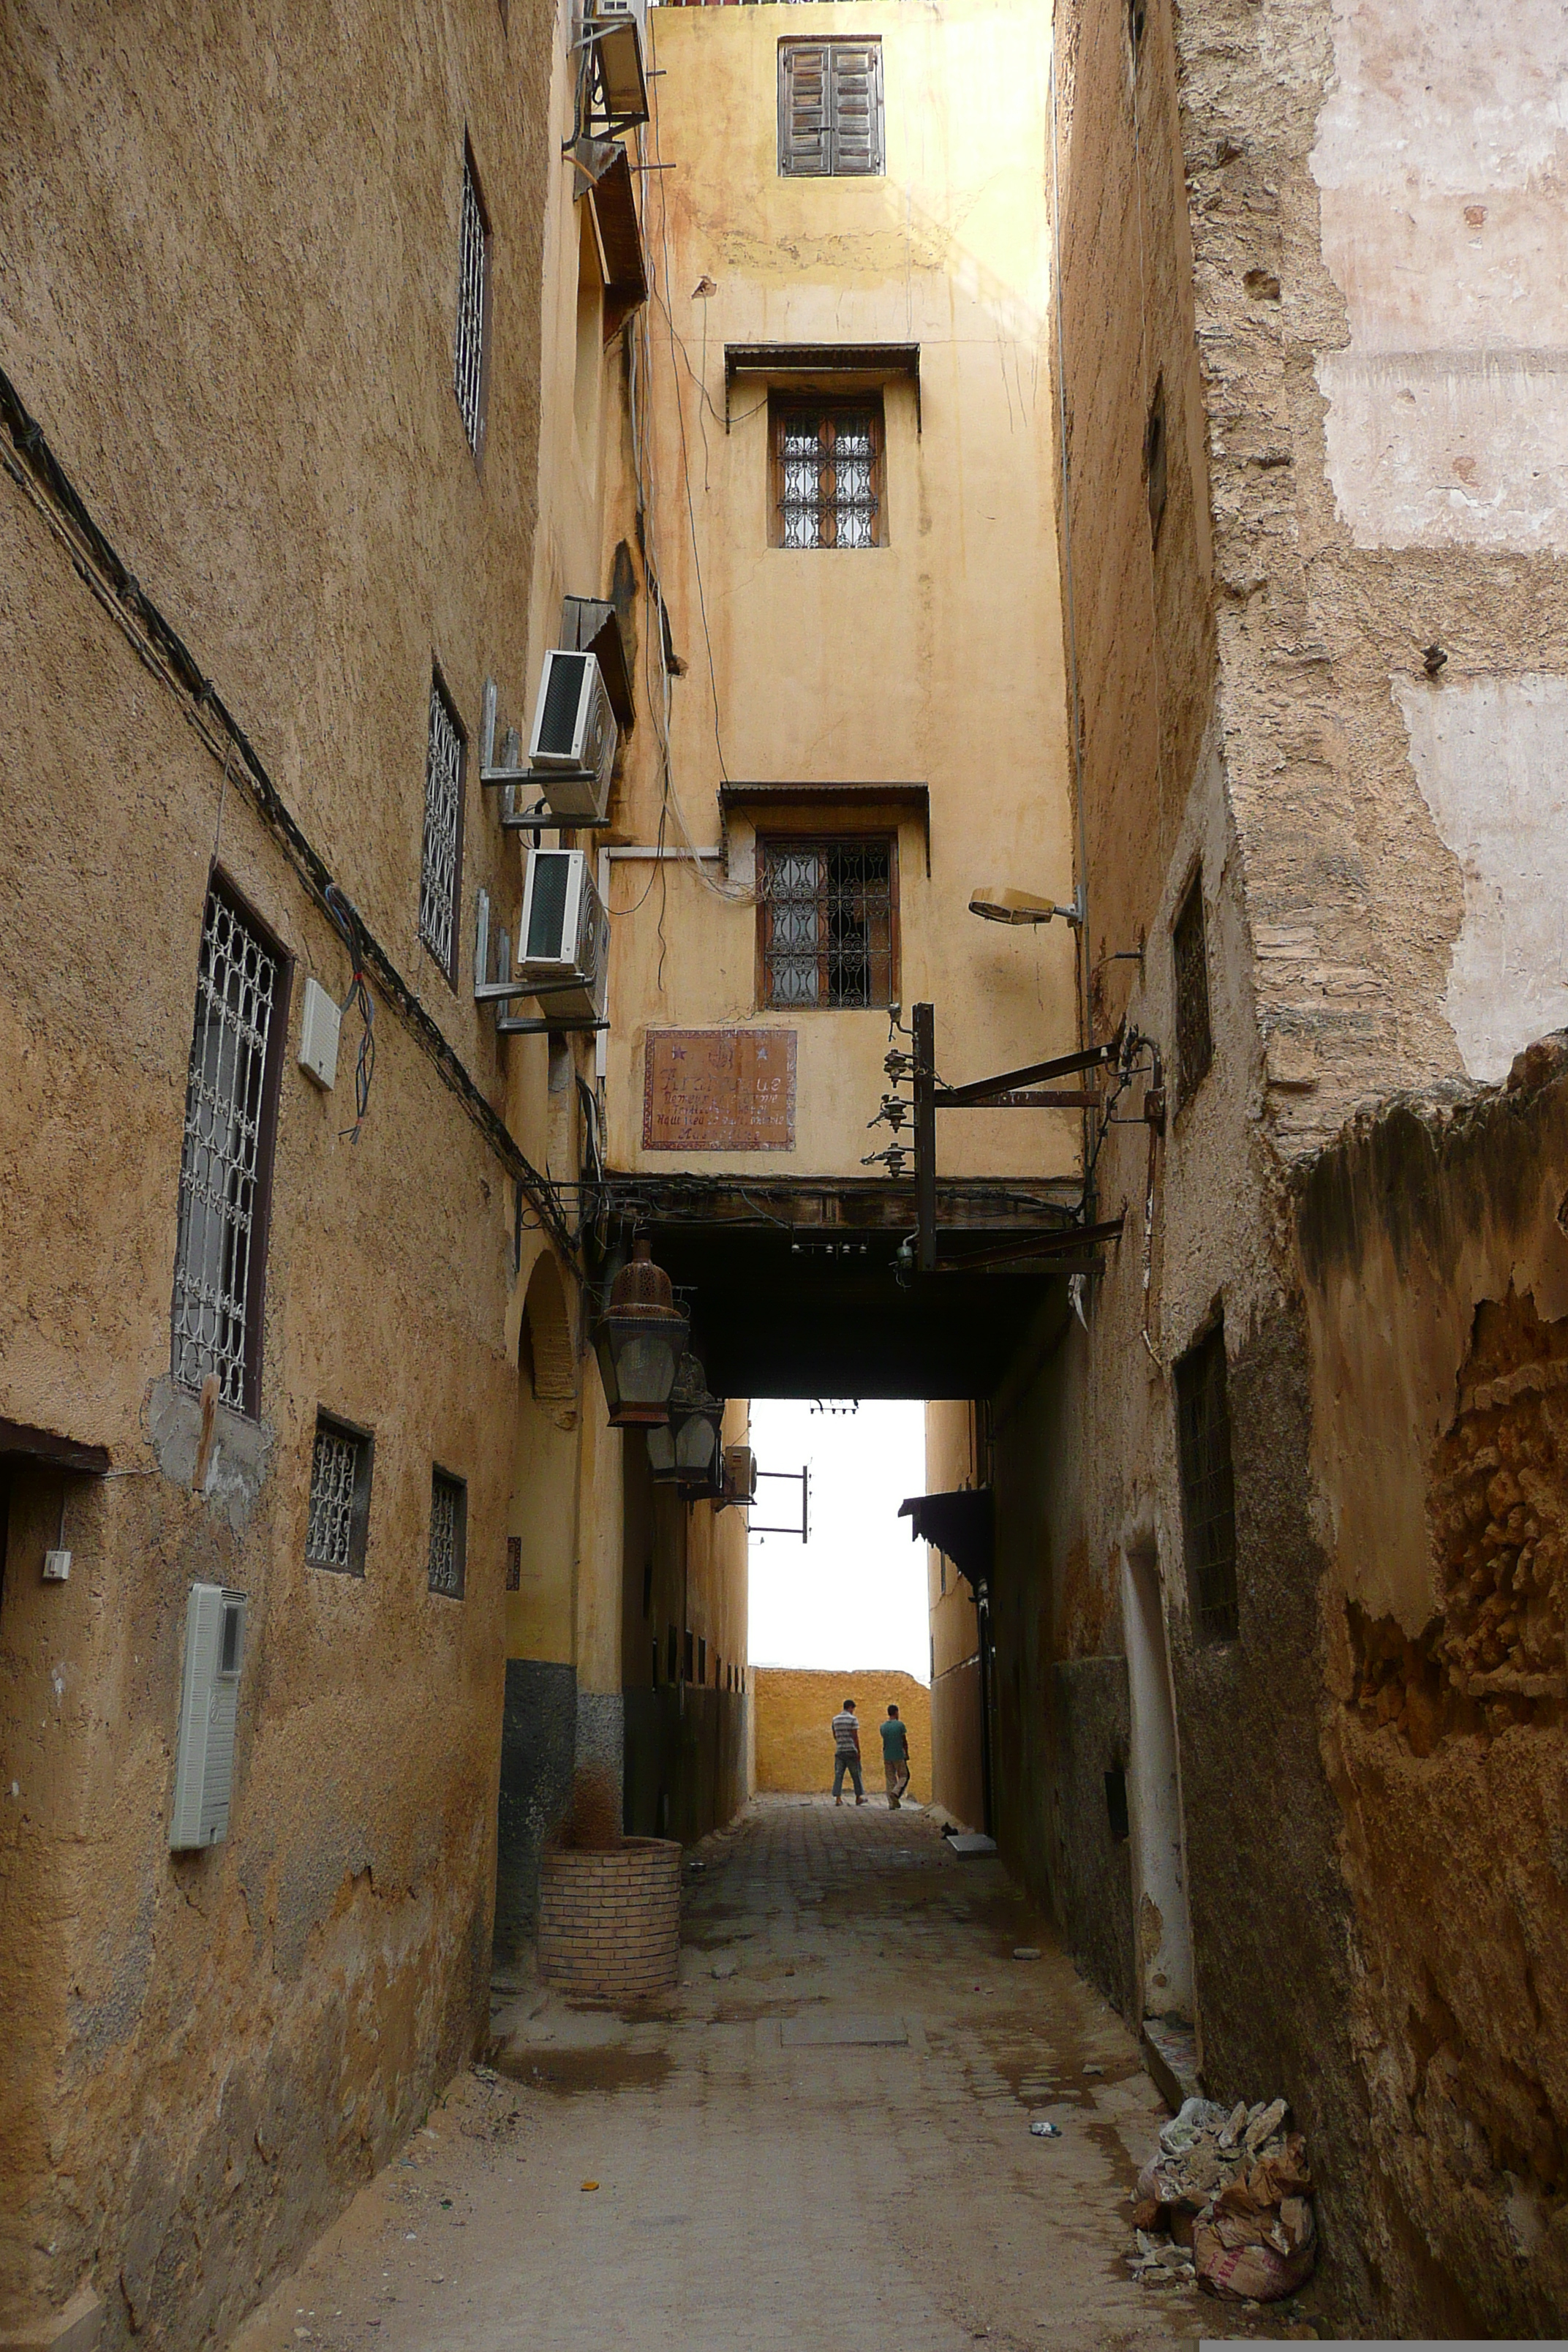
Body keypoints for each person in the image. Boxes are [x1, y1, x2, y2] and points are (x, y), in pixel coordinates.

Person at [831, 1697, 865, 1805]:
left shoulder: (835, 1719)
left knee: (839, 1774)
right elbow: (855, 1737)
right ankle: (858, 1797)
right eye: (853, 1709)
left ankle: (838, 1799)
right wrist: (858, 1751)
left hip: (840, 1750)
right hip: (851, 1750)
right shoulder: (853, 1719)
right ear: (850, 1708)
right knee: (856, 1775)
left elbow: (835, 1735)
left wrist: (841, 1742)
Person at [880, 1703, 911, 1809]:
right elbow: (904, 1741)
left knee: (890, 1779)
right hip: (898, 1754)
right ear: (896, 1713)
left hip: (887, 1755)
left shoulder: (883, 1727)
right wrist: (906, 1753)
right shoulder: (900, 1725)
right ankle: (896, 1792)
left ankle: (892, 1804)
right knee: (904, 1776)